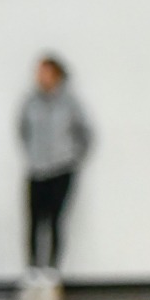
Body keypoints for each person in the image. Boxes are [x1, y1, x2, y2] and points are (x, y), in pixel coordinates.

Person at [19, 55, 90, 272]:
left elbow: (85, 133)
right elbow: (22, 130)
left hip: (61, 168)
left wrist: (72, 157)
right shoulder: (30, 102)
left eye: (46, 72)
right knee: (34, 221)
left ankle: (52, 268)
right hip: (37, 169)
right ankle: (33, 268)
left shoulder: (69, 102)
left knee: (55, 220)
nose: (41, 77)